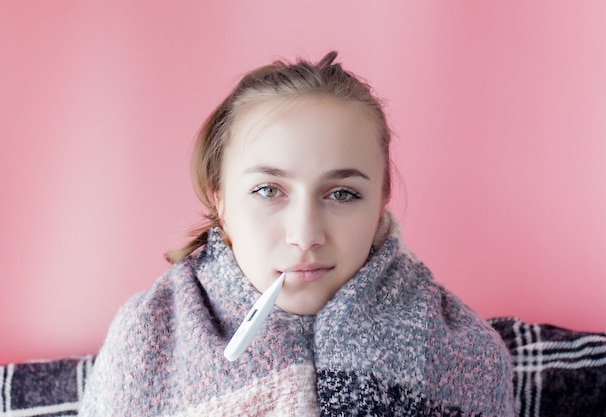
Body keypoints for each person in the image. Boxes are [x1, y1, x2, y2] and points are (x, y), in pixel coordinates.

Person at [80, 51, 514, 416]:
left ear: (381, 203)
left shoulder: (469, 353)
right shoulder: (146, 338)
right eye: (268, 190)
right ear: (221, 202)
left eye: (343, 194)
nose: (305, 236)